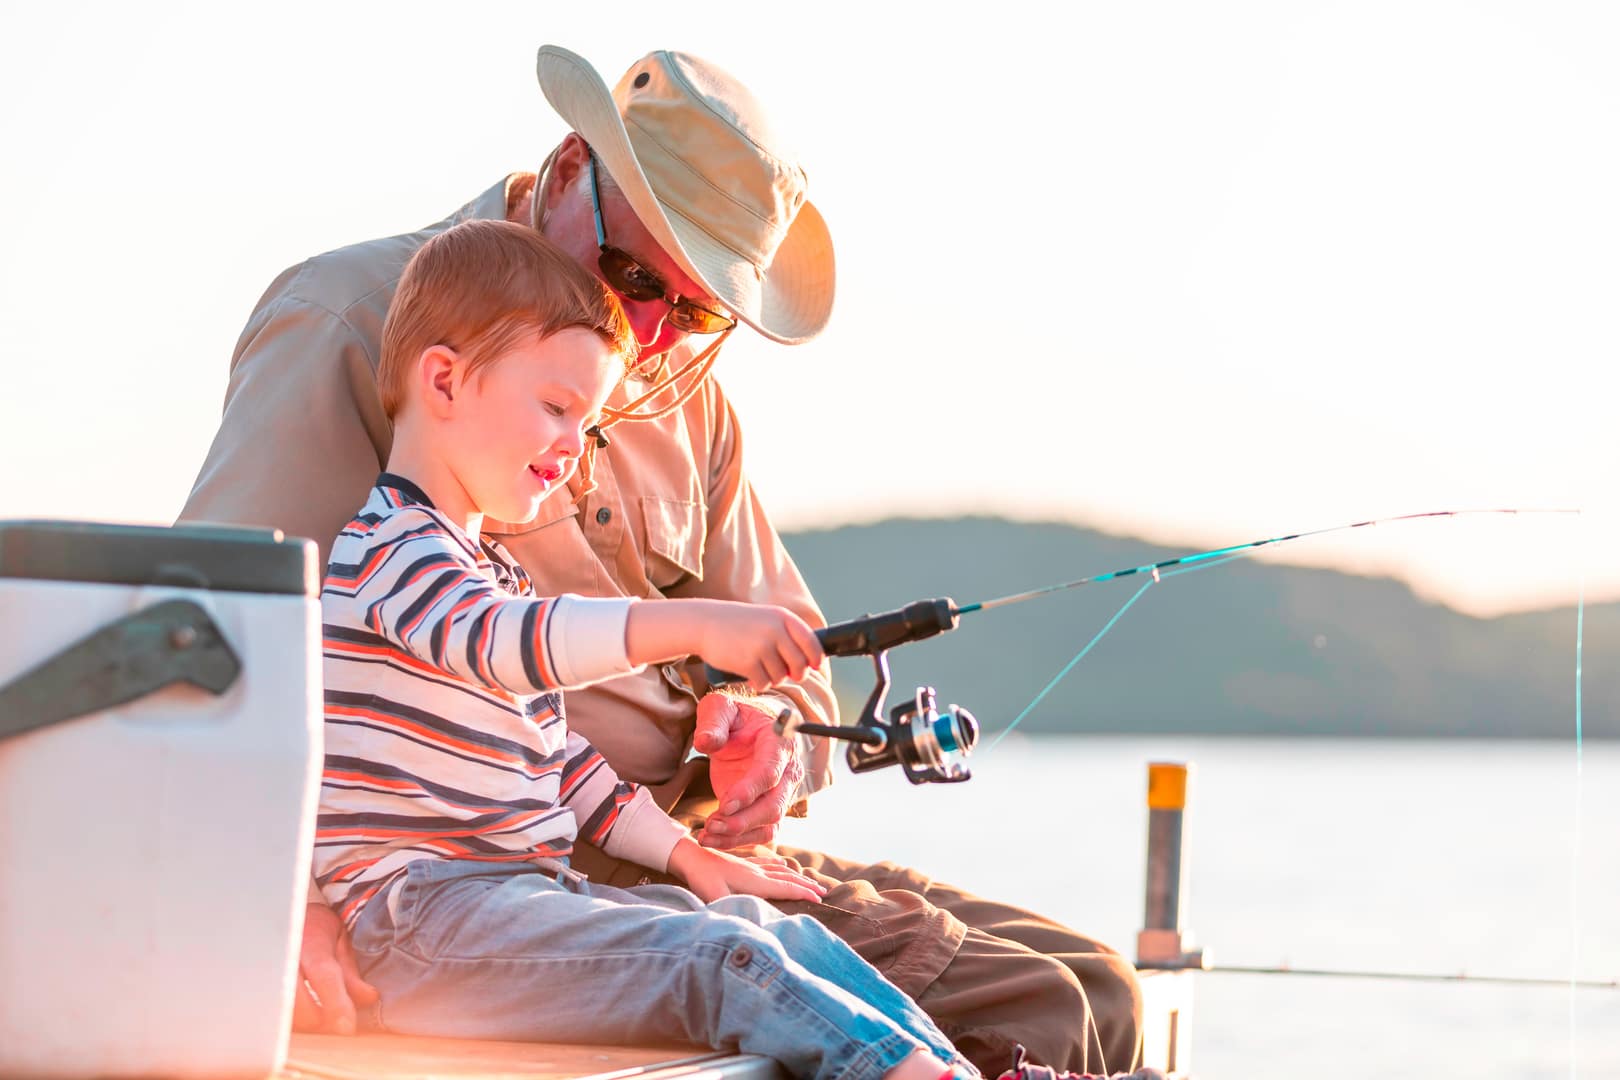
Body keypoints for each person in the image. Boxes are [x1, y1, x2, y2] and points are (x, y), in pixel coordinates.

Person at [180, 45, 1144, 1075]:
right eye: (637, 277)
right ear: (563, 171)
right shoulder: (348, 316)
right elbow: (209, 644)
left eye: (694, 312)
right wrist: (278, 903)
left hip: (666, 851)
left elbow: (798, 655)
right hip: (479, 895)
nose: (648, 332)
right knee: (1045, 1008)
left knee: (1098, 983)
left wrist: (770, 744)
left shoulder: (695, 399)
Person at [313, 217, 982, 1080]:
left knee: (761, 930)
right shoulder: (389, 550)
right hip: (421, 930)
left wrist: (694, 860)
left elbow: (566, 767)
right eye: (555, 408)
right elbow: (505, 646)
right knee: (723, 966)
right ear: (443, 380)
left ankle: (952, 1071)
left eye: (585, 425)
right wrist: (695, 622)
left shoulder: (494, 570)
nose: (571, 448)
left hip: (513, 907)